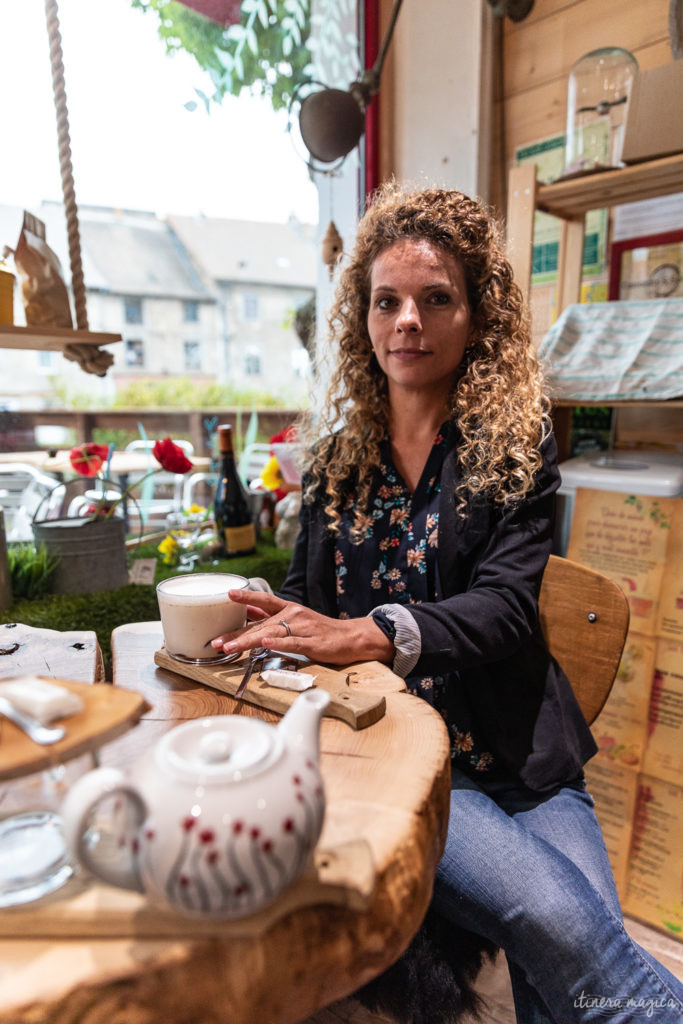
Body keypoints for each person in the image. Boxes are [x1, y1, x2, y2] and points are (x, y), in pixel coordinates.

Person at [212, 182, 683, 1024]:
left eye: (436, 299)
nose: (407, 321)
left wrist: (367, 631)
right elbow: (302, 595)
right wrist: (264, 617)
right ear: (360, 317)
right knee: (560, 927)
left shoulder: (515, 446)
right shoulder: (332, 462)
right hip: (409, 765)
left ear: (475, 316)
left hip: (524, 763)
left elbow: (506, 608)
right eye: (386, 300)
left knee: (575, 960)